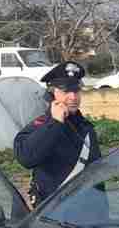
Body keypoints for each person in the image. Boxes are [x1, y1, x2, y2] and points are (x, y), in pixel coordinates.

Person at [14, 61, 102, 205]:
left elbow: (95, 172)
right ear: (51, 95)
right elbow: (26, 158)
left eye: (76, 90)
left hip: (88, 210)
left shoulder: (86, 128)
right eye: (66, 91)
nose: (73, 97)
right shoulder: (38, 127)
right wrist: (55, 123)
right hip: (53, 212)